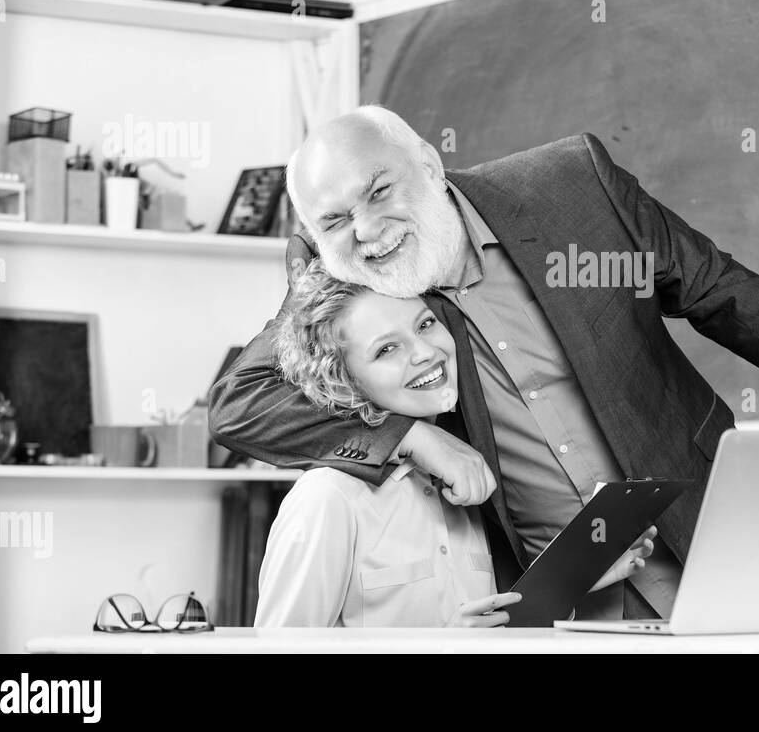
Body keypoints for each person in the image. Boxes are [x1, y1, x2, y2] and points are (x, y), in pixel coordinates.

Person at [212, 106, 759, 621]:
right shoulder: (355, 286)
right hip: (558, 592)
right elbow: (236, 403)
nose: (368, 231)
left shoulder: (570, 187)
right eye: (336, 221)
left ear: (429, 164)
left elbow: (712, 286)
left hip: (697, 518)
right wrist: (409, 437)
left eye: (379, 192)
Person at [254, 260, 653, 627]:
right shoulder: (328, 498)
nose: (426, 353)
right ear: (343, 383)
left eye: (425, 325)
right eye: (387, 349)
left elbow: (490, 627)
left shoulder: (463, 477)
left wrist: (573, 577)